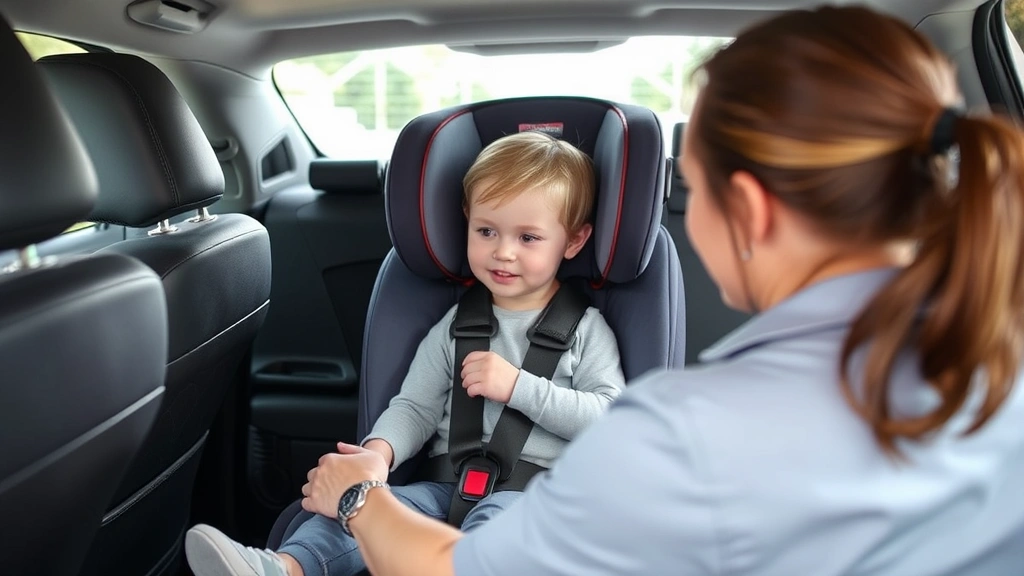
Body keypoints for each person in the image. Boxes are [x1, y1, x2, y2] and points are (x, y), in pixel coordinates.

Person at [270, 5, 1024, 576]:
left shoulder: (685, 434)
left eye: (691, 192)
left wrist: (358, 498)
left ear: (750, 211)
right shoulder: (999, 355)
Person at [184, 131, 627, 576]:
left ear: (572, 241)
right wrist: (378, 455)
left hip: (534, 497)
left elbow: (611, 419)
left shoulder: (585, 330)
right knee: (357, 513)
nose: (503, 251)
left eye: (528, 237)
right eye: (486, 230)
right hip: (442, 487)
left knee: (495, 534)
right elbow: (415, 407)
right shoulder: (455, 327)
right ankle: (284, 567)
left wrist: (518, 387)